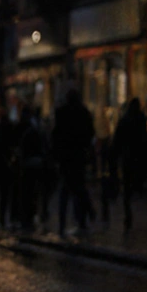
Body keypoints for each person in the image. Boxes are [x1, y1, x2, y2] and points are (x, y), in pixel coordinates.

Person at [52, 89, 95, 235]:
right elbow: (90, 133)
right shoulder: (83, 113)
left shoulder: (61, 113)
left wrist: (57, 155)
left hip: (66, 157)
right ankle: (83, 219)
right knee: (78, 189)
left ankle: (64, 224)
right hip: (78, 156)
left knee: (66, 190)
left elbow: (56, 135)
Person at [110, 98, 147, 232]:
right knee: (137, 185)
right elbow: (145, 140)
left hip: (128, 157)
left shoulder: (125, 120)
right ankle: (138, 212)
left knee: (128, 187)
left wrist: (114, 157)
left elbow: (117, 140)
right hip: (138, 157)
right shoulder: (141, 120)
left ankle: (129, 212)